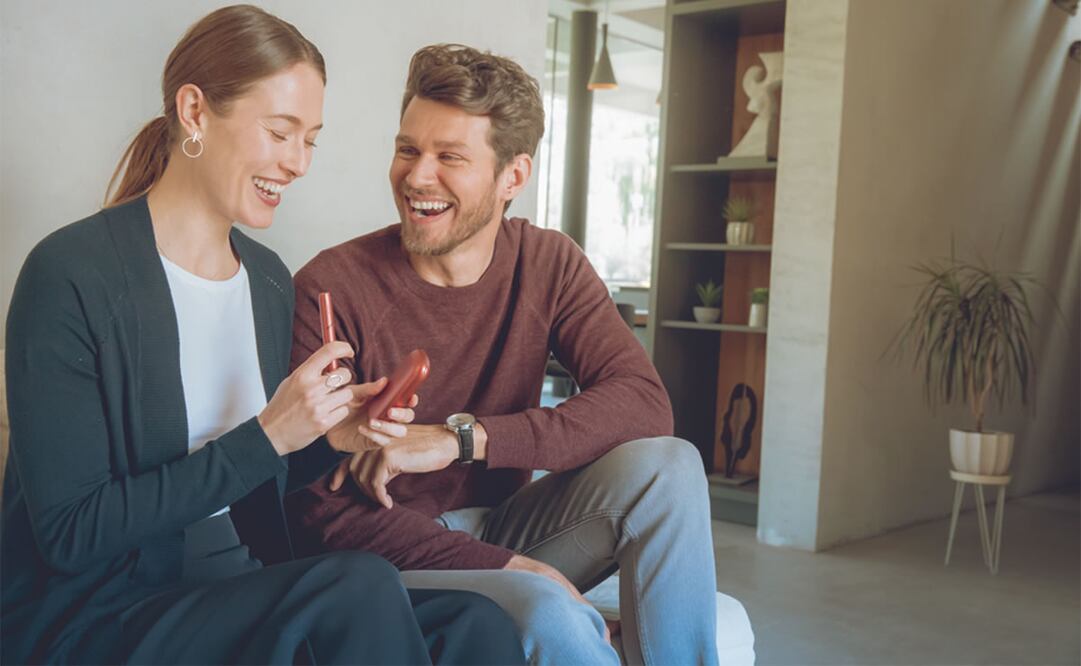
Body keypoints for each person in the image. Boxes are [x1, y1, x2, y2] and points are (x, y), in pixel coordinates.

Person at [1, 9, 524, 665]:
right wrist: (273, 433)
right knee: (355, 587)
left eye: (311, 140)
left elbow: (253, 478)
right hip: (96, 611)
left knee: (479, 624)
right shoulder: (72, 274)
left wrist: (326, 439)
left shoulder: (268, 281)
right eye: (280, 133)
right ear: (195, 111)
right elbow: (71, 533)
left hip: (228, 583)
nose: (298, 163)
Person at [286, 43, 719, 665]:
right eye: (408, 149)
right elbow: (317, 516)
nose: (416, 177)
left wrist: (460, 438)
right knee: (549, 611)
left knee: (670, 467)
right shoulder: (331, 287)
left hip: (508, 520)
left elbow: (642, 404)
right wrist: (518, 571)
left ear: (513, 176)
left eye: (449, 157)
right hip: (390, 554)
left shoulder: (548, 263)